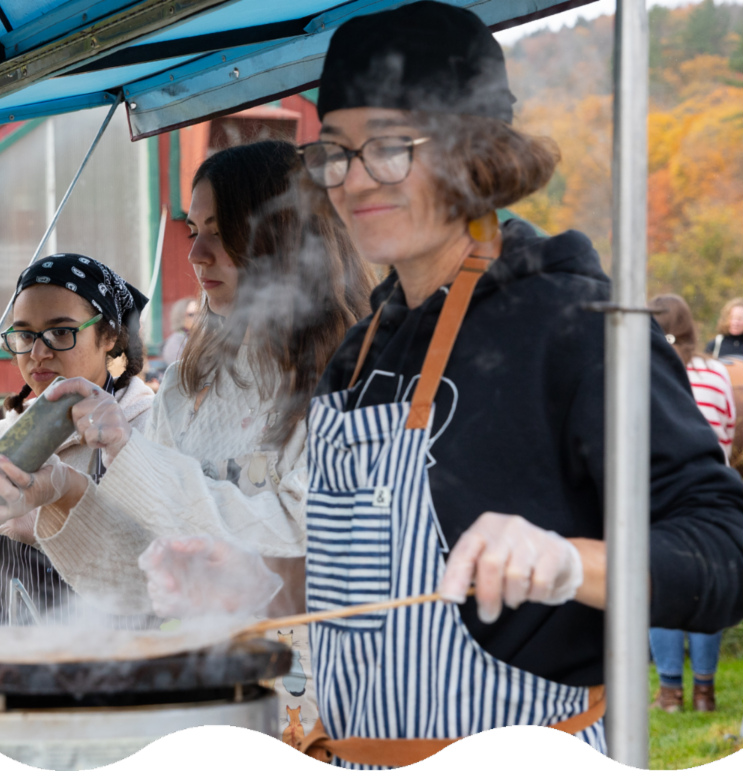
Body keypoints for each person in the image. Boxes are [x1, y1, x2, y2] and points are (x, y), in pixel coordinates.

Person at [139, 3, 743, 765]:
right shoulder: (357, 355)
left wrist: (568, 561)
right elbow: (363, 595)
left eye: (390, 148)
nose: (355, 181)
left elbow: (726, 545)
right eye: (336, 153)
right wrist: (261, 584)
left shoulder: (572, 323)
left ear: (475, 151)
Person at [0, 140, 373, 731]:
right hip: (204, 688)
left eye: (220, 230)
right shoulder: (191, 378)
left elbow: (304, 548)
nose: (198, 253)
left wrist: (130, 454)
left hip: (319, 705)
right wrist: (62, 495)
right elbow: (146, 579)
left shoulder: (352, 373)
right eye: (194, 230)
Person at [0, 254, 154, 627]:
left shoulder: (151, 429)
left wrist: (68, 493)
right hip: (9, 670)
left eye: (61, 332)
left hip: (119, 670)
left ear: (110, 336)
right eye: (25, 335)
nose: (38, 353)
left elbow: (166, 580)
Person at [649, 294, 735, 712]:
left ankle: (669, 692)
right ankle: (705, 691)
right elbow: (730, 428)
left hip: (655, 489)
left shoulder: (642, 369)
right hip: (711, 486)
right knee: (707, 586)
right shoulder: (716, 371)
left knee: (660, 581)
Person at [161, 297, 199, 365]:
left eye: (200, 313)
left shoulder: (204, 337)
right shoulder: (175, 342)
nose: (198, 317)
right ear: (180, 316)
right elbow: (181, 369)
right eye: (191, 314)